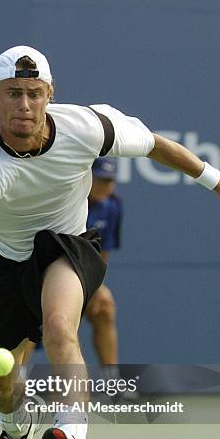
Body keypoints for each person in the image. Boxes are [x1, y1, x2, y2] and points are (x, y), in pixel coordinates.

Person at [0, 45, 220, 439]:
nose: (24, 106)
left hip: (67, 245)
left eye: (33, 93)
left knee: (59, 325)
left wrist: (219, 183)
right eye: (12, 94)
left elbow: (154, 144)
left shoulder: (87, 127)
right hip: (7, 261)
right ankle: (14, 430)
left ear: (50, 94)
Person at [85, 157, 122, 369]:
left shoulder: (113, 206)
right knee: (32, 320)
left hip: (84, 279)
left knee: (105, 305)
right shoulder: (66, 201)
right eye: (99, 180)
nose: (104, 186)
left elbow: (102, 254)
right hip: (46, 276)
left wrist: (95, 286)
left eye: (109, 181)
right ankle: (19, 385)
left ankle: (111, 385)